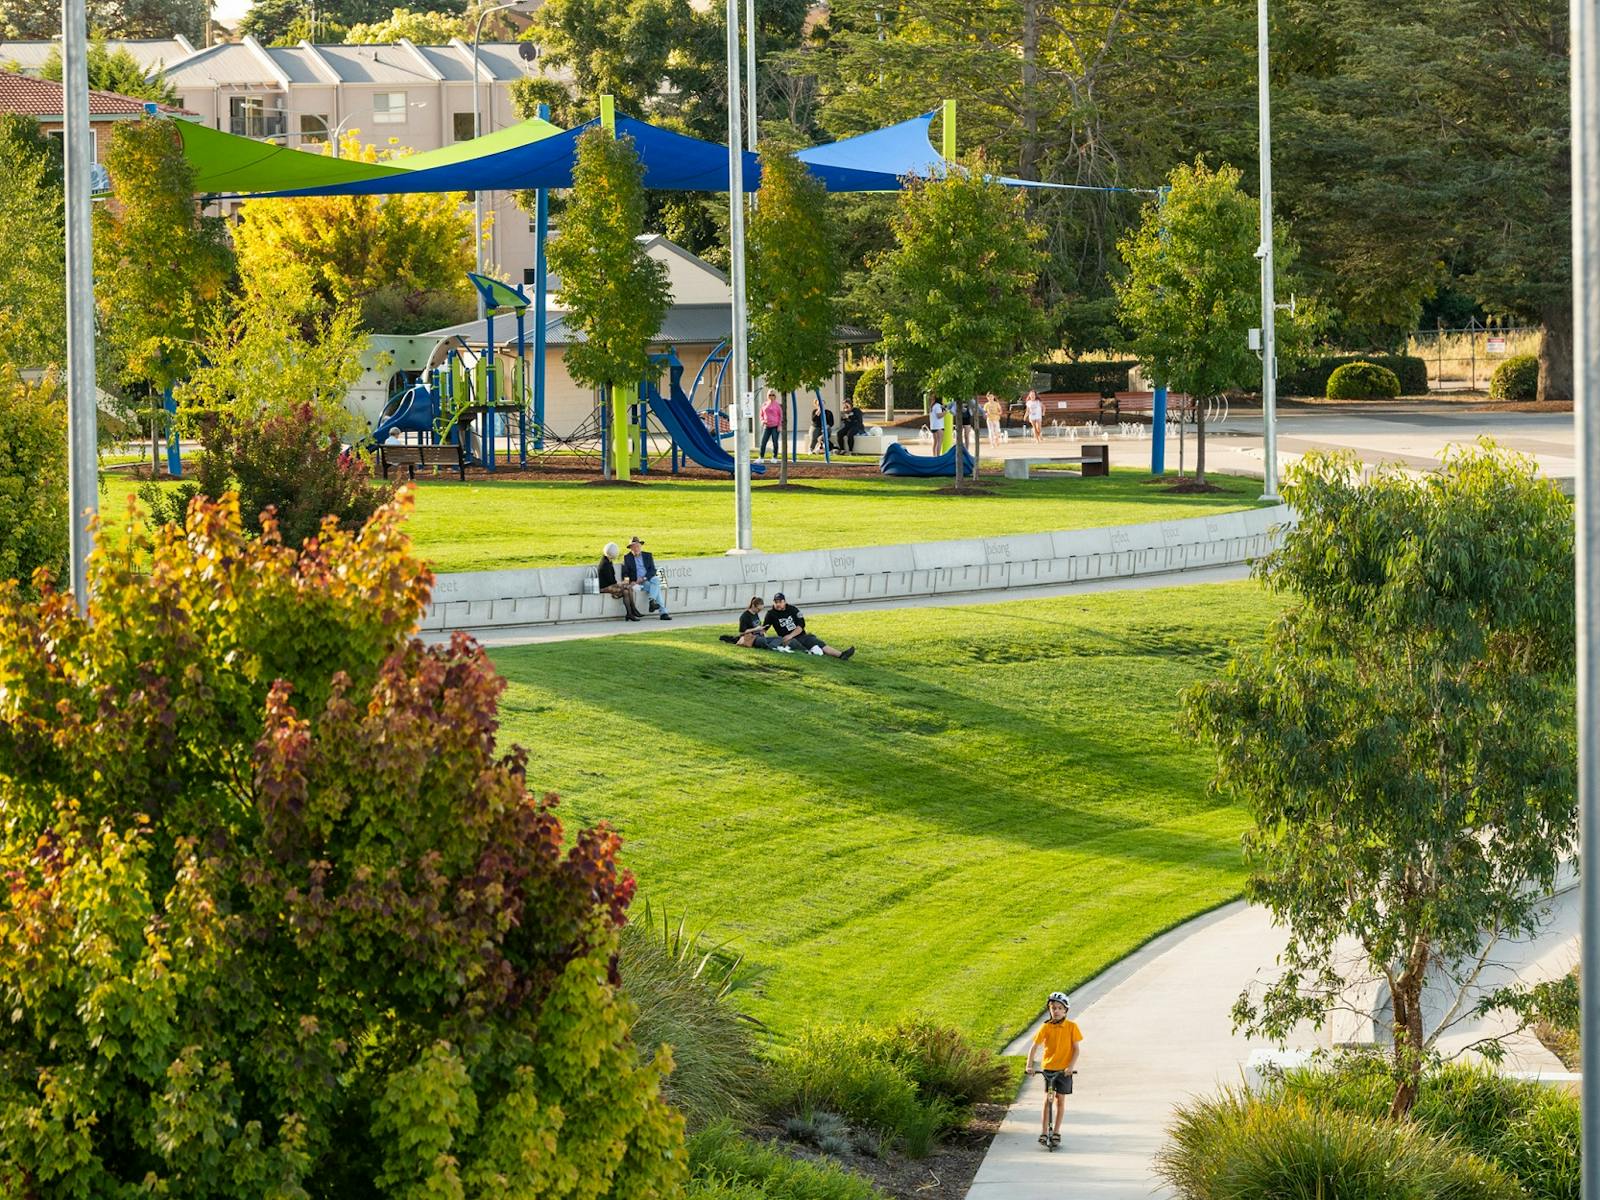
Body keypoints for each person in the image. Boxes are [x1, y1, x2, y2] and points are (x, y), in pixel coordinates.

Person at [1024, 991, 1082, 1150]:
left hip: (1064, 1071)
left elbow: (1076, 1049)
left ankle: (1056, 1131)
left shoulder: (1072, 1027)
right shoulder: (1046, 1027)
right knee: (1048, 1099)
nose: (1055, 1011)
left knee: (1060, 1100)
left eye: (1059, 1008)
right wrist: (1029, 1065)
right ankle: (1043, 1132)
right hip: (1049, 1069)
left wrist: (1070, 1067)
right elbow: (1034, 1046)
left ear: (1065, 1010)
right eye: (1052, 1008)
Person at [763, 593, 855, 659]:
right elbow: (764, 629)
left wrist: (790, 635)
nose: (778, 604)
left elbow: (801, 625)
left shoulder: (793, 609)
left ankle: (841, 655)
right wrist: (762, 639)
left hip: (800, 636)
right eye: (776, 602)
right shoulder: (771, 614)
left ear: (784, 601)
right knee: (800, 646)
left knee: (817, 642)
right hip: (788, 640)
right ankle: (815, 651)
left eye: (780, 602)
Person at [719, 596, 794, 652]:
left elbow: (758, 626)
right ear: (753, 606)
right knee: (762, 641)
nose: (759, 611)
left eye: (761, 610)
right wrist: (756, 629)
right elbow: (741, 632)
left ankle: (771, 647)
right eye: (758, 609)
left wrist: (762, 630)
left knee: (779, 638)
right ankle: (772, 647)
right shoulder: (745, 616)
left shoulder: (755, 614)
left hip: (759, 636)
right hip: (752, 638)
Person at [622, 536, 671, 620]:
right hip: (636, 583)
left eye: (637, 546)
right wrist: (629, 582)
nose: (636, 548)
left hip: (647, 579)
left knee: (656, 580)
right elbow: (625, 573)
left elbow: (653, 570)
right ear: (630, 548)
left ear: (640, 546)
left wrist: (644, 578)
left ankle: (652, 601)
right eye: (633, 547)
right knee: (656, 587)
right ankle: (662, 612)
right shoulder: (627, 558)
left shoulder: (647, 555)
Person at [597, 542, 641, 622]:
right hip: (603, 588)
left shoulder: (608, 561)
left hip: (610, 586)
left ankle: (630, 613)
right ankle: (633, 611)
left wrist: (621, 584)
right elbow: (611, 581)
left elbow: (612, 581)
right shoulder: (605, 564)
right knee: (626, 588)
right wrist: (621, 583)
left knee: (626, 591)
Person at [759, 389, 783, 462]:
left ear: (775, 396)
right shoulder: (764, 404)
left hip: (775, 427)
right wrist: (762, 421)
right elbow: (761, 414)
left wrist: (779, 425)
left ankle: (774, 457)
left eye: (773, 395)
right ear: (767, 396)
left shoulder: (777, 405)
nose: (771, 396)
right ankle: (761, 457)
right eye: (770, 395)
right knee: (763, 442)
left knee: (775, 442)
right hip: (767, 426)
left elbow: (780, 416)